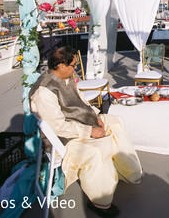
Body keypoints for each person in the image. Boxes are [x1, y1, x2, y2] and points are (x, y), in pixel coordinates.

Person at [29, 46, 142, 217]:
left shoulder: (65, 77)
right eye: (73, 65)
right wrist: (90, 131)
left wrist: (96, 116)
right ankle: (100, 202)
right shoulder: (44, 91)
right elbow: (58, 127)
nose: (75, 69)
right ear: (60, 65)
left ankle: (125, 170)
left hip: (81, 122)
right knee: (96, 151)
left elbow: (81, 100)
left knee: (116, 122)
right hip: (65, 139)